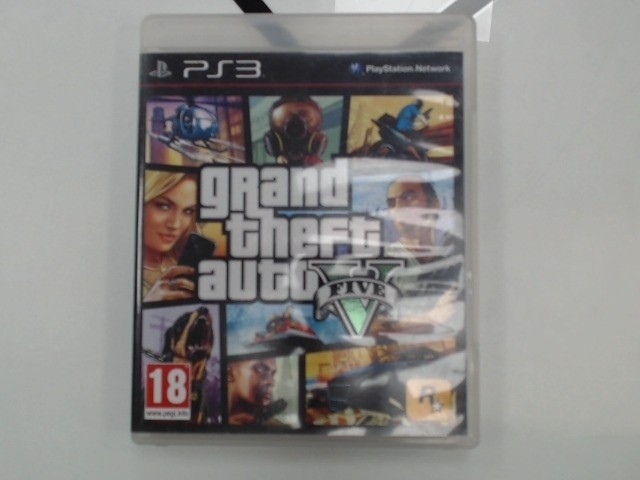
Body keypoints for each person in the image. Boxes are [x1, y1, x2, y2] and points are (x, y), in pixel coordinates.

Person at [142, 170, 198, 302]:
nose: (175, 224)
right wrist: (150, 302)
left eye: (188, 211)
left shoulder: (187, 264)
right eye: (164, 206)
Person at [227, 358, 281, 425]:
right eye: (261, 370)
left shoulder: (274, 426)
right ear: (229, 373)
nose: (271, 382)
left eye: (272, 374)